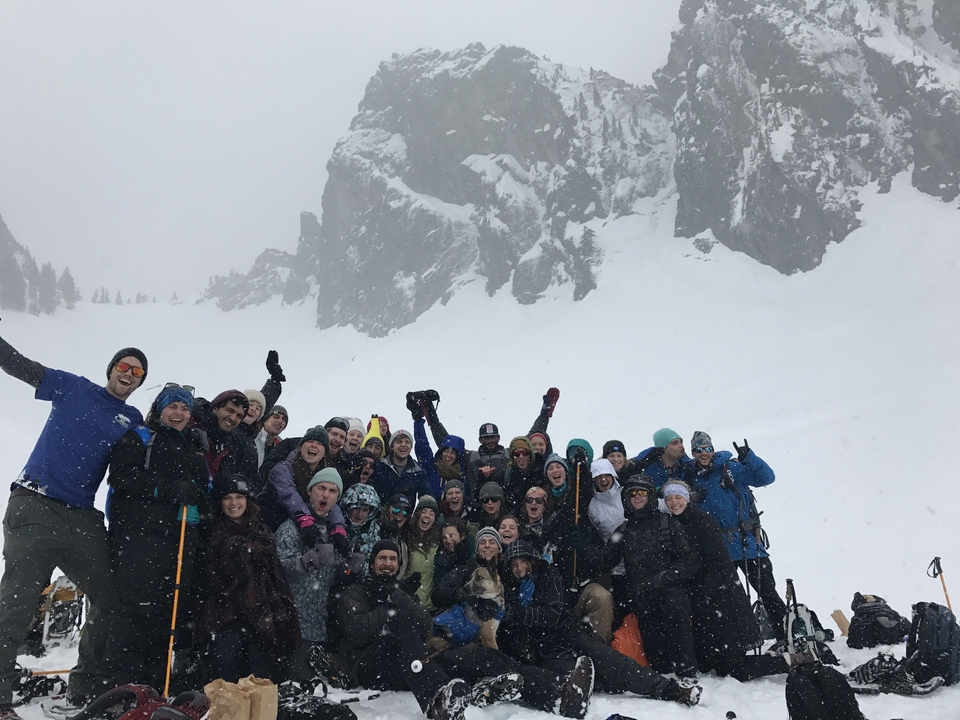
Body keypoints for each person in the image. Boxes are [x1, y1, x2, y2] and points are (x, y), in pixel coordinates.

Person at [0, 341, 147, 714]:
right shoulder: (73, 386)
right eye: (124, 366)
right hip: (35, 503)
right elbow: (22, 365)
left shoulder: (132, 419)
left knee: (110, 601)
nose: (128, 374)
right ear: (111, 368)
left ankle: (85, 689)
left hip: (82, 516)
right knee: (16, 605)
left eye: (137, 372)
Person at [336, 540, 534, 720]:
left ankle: (547, 688)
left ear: (398, 565)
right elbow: (358, 631)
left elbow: (425, 626)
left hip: (411, 665)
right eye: (382, 558)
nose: (387, 563)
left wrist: (397, 594)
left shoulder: (399, 592)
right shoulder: (356, 590)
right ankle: (437, 700)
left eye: (393, 559)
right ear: (372, 564)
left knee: (473, 656)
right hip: (372, 666)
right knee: (403, 619)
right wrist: (390, 605)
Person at [496, 540, 701, 707]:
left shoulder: (549, 575)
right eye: (514, 565)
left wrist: (519, 611)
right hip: (548, 651)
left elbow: (554, 614)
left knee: (615, 663)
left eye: (523, 562)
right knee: (587, 680)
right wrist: (517, 609)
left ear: (532, 561)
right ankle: (627, 686)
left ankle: (673, 691)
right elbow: (518, 637)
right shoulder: (508, 591)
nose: (520, 569)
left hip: (571, 634)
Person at [98, 384, 209, 690]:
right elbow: (122, 476)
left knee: (169, 614)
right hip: (140, 536)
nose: (179, 413)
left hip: (180, 537)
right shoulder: (141, 437)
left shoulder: (193, 448)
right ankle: (120, 687)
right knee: (135, 610)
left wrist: (202, 505)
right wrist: (169, 489)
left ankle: (155, 685)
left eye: (185, 409)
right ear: (160, 409)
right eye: (173, 406)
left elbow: (203, 490)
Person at [662, 481, 795, 680]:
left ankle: (790, 661)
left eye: (678, 497)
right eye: (669, 499)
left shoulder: (702, 520)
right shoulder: (671, 523)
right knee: (715, 665)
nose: (674, 503)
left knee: (735, 669)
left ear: (688, 498)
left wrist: (704, 591)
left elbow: (717, 560)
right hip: (704, 600)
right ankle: (778, 659)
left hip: (723, 597)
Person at [585, 474, 700, 683]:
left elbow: (690, 560)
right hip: (643, 598)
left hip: (671, 593)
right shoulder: (625, 529)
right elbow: (605, 561)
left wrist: (666, 578)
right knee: (658, 662)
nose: (637, 497)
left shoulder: (668, 523)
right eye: (632, 494)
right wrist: (585, 546)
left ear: (650, 495)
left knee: (682, 649)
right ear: (626, 499)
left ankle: (688, 676)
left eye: (642, 492)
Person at [681, 430, 788, 645]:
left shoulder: (732, 468)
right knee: (731, 600)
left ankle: (786, 636)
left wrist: (749, 457)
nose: (704, 453)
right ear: (693, 453)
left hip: (747, 543)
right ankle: (743, 640)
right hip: (716, 549)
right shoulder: (689, 477)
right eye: (699, 450)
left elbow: (767, 478)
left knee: (767, 593)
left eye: (708, 449)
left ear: (713, 449)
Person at [193, 474, 300, 684]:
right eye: (228, 498)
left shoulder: (263, 532)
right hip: (223, 613)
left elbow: (276, 578)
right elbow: (207, 577)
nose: (234, 504)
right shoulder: (209, 533)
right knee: (225, 669)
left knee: (260, 670)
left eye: (239, 497)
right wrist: (240, 558)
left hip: (261, 610)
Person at [276, 469, 349, 646]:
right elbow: (278, 572)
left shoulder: (338, 533)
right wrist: (308, 561)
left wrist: (349, 571)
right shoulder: (290, 528)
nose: (326, 495)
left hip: (322, 628)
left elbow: (336, 577)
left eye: (332, 491)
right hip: (292, 625)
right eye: (321, 488)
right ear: (309, 491)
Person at [257, 427, 347, 552]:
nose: (314, 445)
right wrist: (305, 519)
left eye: (320, 443)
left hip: (292, 528)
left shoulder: (323, 474)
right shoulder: (283, 468)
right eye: (310, 441)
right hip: (265, 525)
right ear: (301, 446)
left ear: (324, 452)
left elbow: (331, 501)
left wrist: (338, 528)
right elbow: (289, 495)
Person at [190, 389, 259, 491]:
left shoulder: (228, 444)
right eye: (230, 411)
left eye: (239, 416)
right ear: (215, 408)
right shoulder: (192, 427)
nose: (233, 418)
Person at [402, 496, 442, 611]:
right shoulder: (405, 540)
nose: (427, 516)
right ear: (417, 514)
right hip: (408, 606)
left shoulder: (437, 545)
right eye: (423, 511)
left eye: (431, 513)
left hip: (431, 608)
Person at [372, 429, 431, 502]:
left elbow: (427, 495)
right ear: (392, 446)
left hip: (405, 512)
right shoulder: (380, 466)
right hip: (381, 512)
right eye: (399, 442)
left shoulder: (418, 471)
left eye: (407, 442)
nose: (403, 445)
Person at [341, 482, 382, 563]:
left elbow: (374, 563)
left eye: (365, 510)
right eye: (356, 508)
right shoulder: (337, 526)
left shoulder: (373, 531)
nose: (359, 514)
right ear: (348, 507)